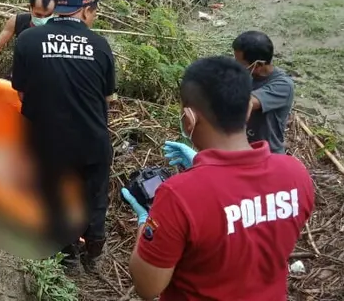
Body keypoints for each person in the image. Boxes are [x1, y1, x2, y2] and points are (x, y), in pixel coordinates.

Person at [121, 56, 314, 300]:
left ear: (189, 119)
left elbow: (148, 288)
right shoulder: (295, 173)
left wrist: (145, 223)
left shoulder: (177, 196)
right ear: (247, 109)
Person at [11, 0, 116, 274]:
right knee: (94, 194)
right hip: (91, 139)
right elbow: (107, 97)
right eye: (94, 12)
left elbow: (20, 91)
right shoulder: (100, 45)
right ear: (84, 11)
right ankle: (94, 251)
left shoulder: (28, 40)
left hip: (46, 141)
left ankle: (67, 254)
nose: (93, 18)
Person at [232, 31, 294, 154]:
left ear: (258, 64)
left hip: (268, 154)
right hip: (244, 150)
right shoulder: (246, 74)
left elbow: (248, 102)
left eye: (241, 64)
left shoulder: (283, 86)